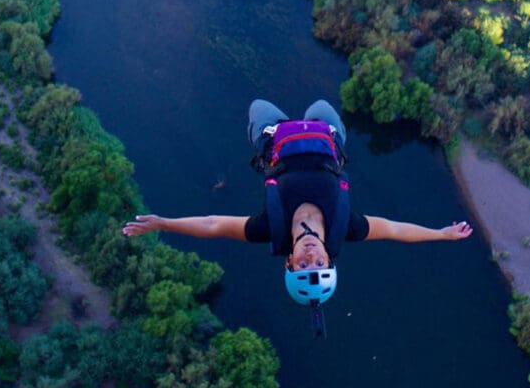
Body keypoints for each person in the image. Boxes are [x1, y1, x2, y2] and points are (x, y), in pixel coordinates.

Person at [122, 98, 472, 313]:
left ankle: (271, 125)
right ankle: (312, 122)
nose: (310, 256)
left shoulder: (268, 230)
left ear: (289, 262)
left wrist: (163, 223)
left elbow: (214, 225)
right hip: (324, 134)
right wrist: (440, 234)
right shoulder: (345, 226)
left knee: (258, 105)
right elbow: (396, 230)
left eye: (303, 264)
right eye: (317, 262)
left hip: (278, 136)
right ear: (328, 258)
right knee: (320, 105)